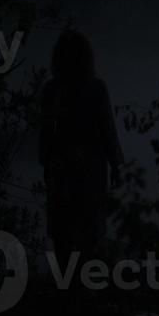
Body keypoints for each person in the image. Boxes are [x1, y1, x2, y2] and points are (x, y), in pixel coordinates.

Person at [39, 30, 124, 263]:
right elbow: (108, 129)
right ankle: (81, 289)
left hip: (71, 167)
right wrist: (117, 165)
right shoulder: (93, 87)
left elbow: (45, 134)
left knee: (67, 234)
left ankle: (69, 290)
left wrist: (47, 161)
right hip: (84, 167)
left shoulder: (54, 89)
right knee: (85, 233)